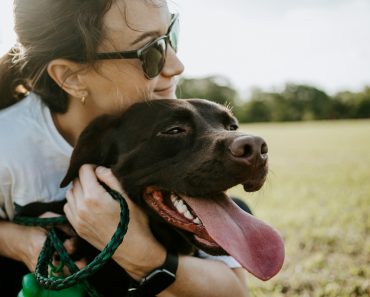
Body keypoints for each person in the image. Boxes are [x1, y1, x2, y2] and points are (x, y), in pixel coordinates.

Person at [0, 0, 249, 296]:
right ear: (71, 76)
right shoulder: (8, 144)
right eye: (151, 52)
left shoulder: (169, 114)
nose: (176, 65)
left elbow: (234, 292)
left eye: (172, 34)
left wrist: (139, 251)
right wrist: (18, 240)